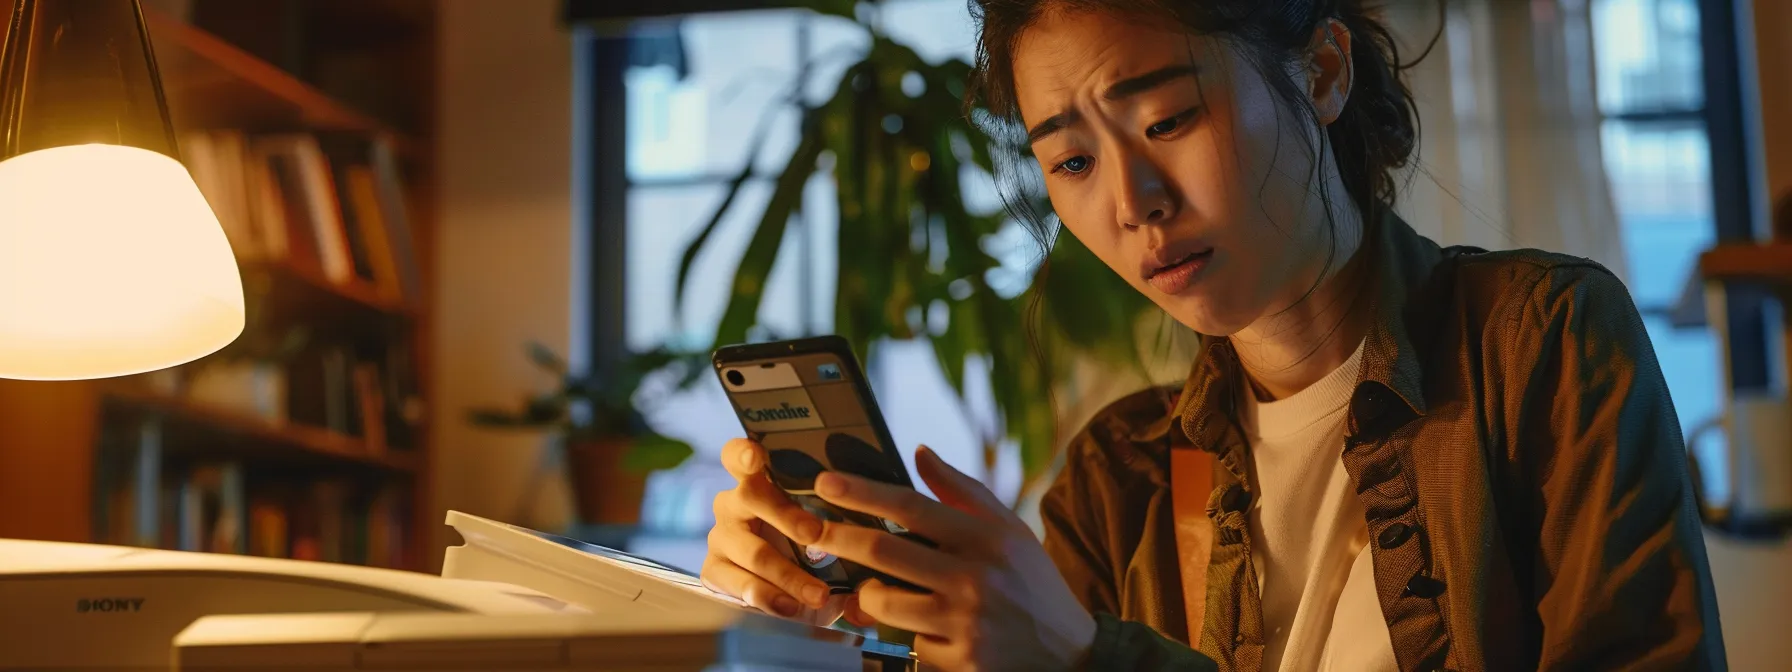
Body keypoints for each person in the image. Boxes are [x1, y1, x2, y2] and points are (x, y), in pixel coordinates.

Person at [699, 0, 1727, 670]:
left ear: (1323, 74)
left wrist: (1087, 661)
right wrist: (811, 629)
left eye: (1169, 121)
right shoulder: (1122, 480)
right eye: (1070, 162)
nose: (1132, 201)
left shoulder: (1534, 345)